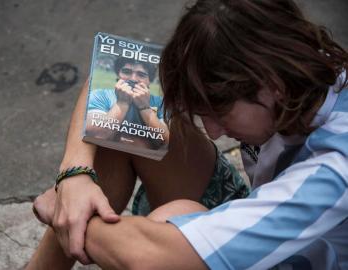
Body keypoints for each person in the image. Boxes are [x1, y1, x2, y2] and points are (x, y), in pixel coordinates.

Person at [27, 0, 348, 269]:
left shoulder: (336, 166)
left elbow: (149, 260)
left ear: (272, 87)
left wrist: (66, 213)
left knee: (173, 221)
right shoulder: (301, 68)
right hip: (267, 216)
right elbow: (113, 75)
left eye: (219, 113)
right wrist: (74, 177)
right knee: (127, 114)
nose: (212, 131)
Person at [86, 57, 168, 148]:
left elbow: (167, 142)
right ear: (118, 74)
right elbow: (96, 136)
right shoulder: (100, 95)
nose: (133, 79)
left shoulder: (161, 103)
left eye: (141, 75)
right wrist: (122, 103)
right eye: (126, 72)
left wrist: (144, 107)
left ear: (150, 80)